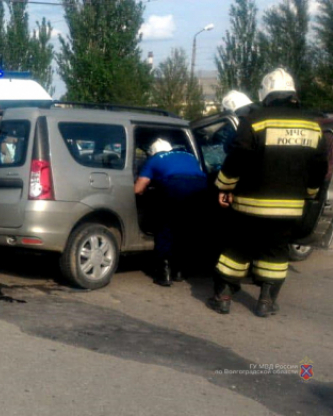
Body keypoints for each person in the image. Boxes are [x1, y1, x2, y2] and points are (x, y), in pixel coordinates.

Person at [209, 68, 329, 317]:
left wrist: (224, 186)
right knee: (274, 255)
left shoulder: (255, 121)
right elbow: (318, 167)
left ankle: (223, 297)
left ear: (266, 95)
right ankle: (265, 302)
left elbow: (237, 157)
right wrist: (310, 193)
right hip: (289, 209)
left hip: (248, 206)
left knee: (236, 250)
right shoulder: (313, 127)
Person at [134, 138, 208, 286]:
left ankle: (164, 273)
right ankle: (180, 271)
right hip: (201, 189)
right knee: (185, 228)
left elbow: (138, 189)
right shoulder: (189, 155)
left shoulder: (155, 159)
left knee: (165, 228)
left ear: (152, 152)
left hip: (174, 187)